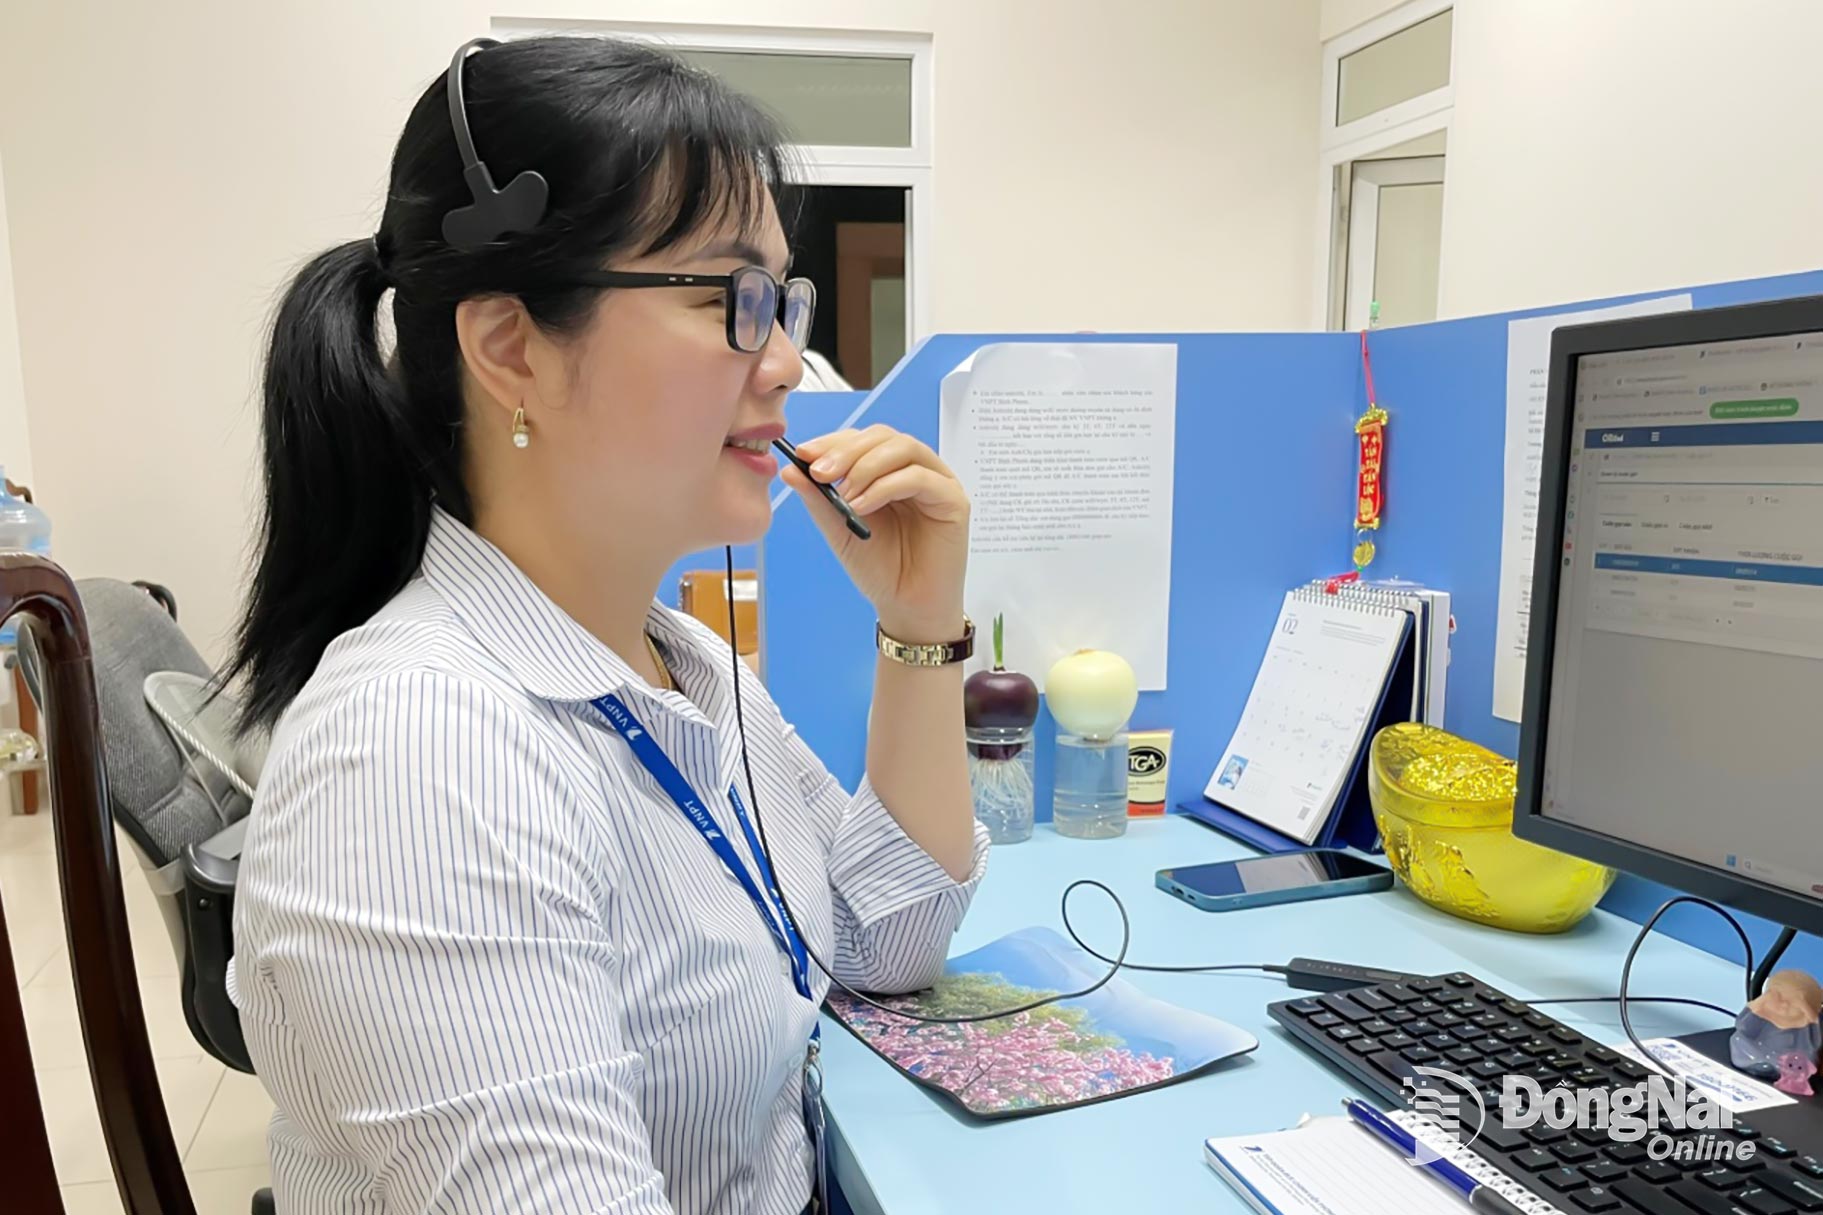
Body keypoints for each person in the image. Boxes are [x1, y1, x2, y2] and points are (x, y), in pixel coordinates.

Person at [227, 34, 986, 1215]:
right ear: (510, 346)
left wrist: (920, 621)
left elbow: (885, 945)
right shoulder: (419, 755)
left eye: (781, 301)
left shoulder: (675, 661)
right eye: (729, 299)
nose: (787, 362)